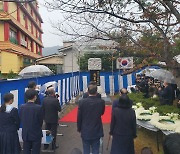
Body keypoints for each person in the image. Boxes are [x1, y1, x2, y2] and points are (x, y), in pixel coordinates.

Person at [77, 84, 105, 154]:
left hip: (85, 129)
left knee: (86, 149)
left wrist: (79, 128)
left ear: (88, 92)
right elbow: (102, 113)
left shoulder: (82, 102)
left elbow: (79, 117)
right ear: (96, 92)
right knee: (96, 149)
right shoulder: (101, 102)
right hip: (97, 128)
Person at [20, 89, 43, 154]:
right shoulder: (39, 108)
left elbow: (21, 118)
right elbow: (40, 121)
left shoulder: (22, 107)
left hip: (26, 133)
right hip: (36, 132)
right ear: (35, 97)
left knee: (26, 150)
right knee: (36, 150)